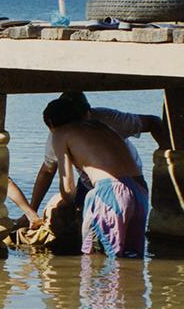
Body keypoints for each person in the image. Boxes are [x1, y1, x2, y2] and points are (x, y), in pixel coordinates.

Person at [27, 91, 167, 221]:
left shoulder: (109, 119)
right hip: (114, 183)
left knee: (99, 233)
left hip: (123, 180)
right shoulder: (60, 130)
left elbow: (153, 122)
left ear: (88, 112)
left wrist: (168, 161)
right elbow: (48, 170)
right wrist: (31, 211)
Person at [44, 98, 149, 258]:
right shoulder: (101, 126)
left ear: (51, 123)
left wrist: (67, 206)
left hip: (111, 193)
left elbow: (67, 188)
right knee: (131, 257)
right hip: (139, 190)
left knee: (95, 257)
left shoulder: (60, 134)